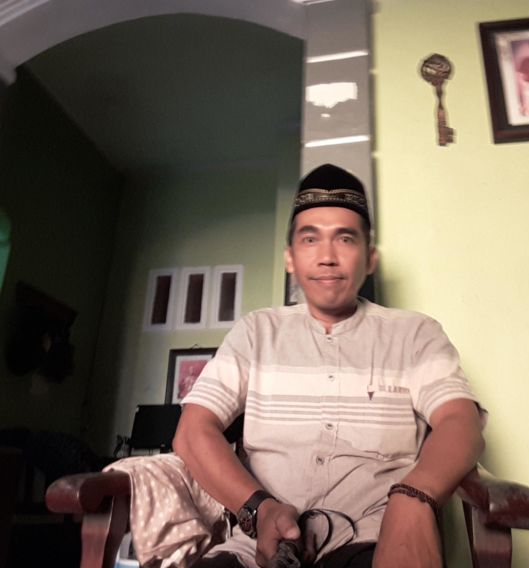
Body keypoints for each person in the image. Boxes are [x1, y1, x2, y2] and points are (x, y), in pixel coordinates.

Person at [173, 164, 486, 568]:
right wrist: (259, 510)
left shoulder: (415, 334)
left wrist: (414, 498)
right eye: (310, 239)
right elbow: (192, 431)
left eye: (345, 238)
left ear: (370, 258)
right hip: (257, 551)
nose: (326, 257)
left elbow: (460, 421)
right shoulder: (255, 331)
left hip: (373, 542)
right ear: (290, 257)